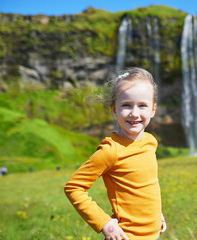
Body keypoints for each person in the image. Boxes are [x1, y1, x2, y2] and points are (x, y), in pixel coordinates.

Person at [64, 67, 166, 240]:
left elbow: (147, 187)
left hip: (153, 235)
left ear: (153, 110)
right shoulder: (111, 151)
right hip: (126, 236)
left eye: (142, 105)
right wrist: (104, 223)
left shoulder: (150, 142)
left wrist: (157, 216)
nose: (134, 113)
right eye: (126, 105)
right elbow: (74, 187)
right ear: (114, 109)